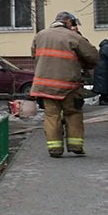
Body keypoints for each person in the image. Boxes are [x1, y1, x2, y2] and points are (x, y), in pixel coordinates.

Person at [30, 11, 99, 157]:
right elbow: (93, 56)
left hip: (45, 86)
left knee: (51, 116)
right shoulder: (73, 36)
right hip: (68, 85)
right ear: (67, 21)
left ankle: (55, 149)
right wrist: (84, 64)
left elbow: (34, 55)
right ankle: (75, 145)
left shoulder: (40, 35)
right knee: (73, 113)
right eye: (72, 23)